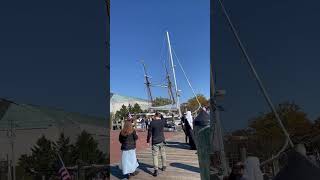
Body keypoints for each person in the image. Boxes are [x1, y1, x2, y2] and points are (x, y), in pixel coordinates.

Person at [147, 112, 167, 177]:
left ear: (155, 116)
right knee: (163, 154)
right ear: (160, 116)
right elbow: (164, 119)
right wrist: (161, 116)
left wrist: (148, 140)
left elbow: (149, 133)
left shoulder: (152, 123)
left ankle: (156, 170)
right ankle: (164, 166)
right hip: (162, 140)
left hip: (155, 141)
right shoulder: (162, 121)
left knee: (155, 155)